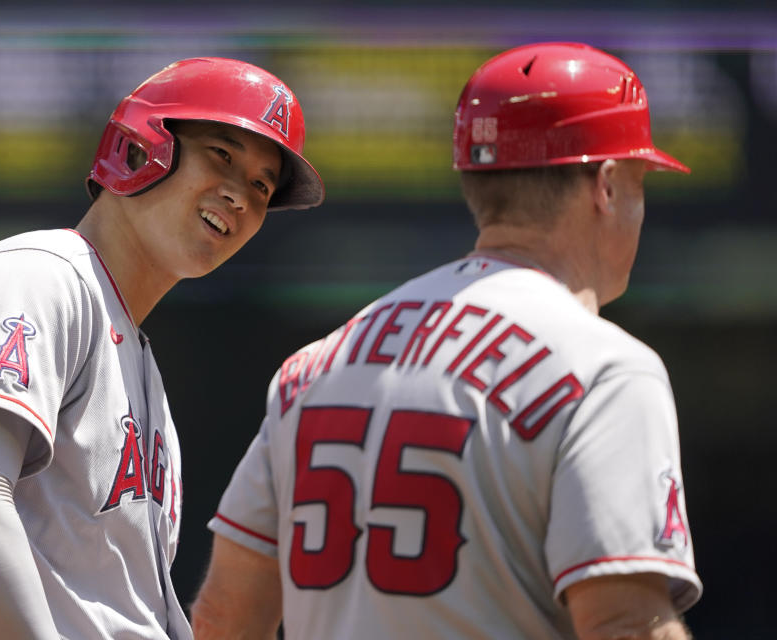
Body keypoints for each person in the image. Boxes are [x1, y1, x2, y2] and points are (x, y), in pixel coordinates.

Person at [192, 42, 702, 640]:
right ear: (608, 186)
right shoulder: (606, 370)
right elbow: (624, 626)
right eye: (640, 183)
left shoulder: (318, 365)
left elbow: (224, 618)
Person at [0, 56, 324, 640]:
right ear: (144, 147)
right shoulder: (35, 276)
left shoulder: (137, 362)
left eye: (261, 185)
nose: (241, 195)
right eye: (221, 154)